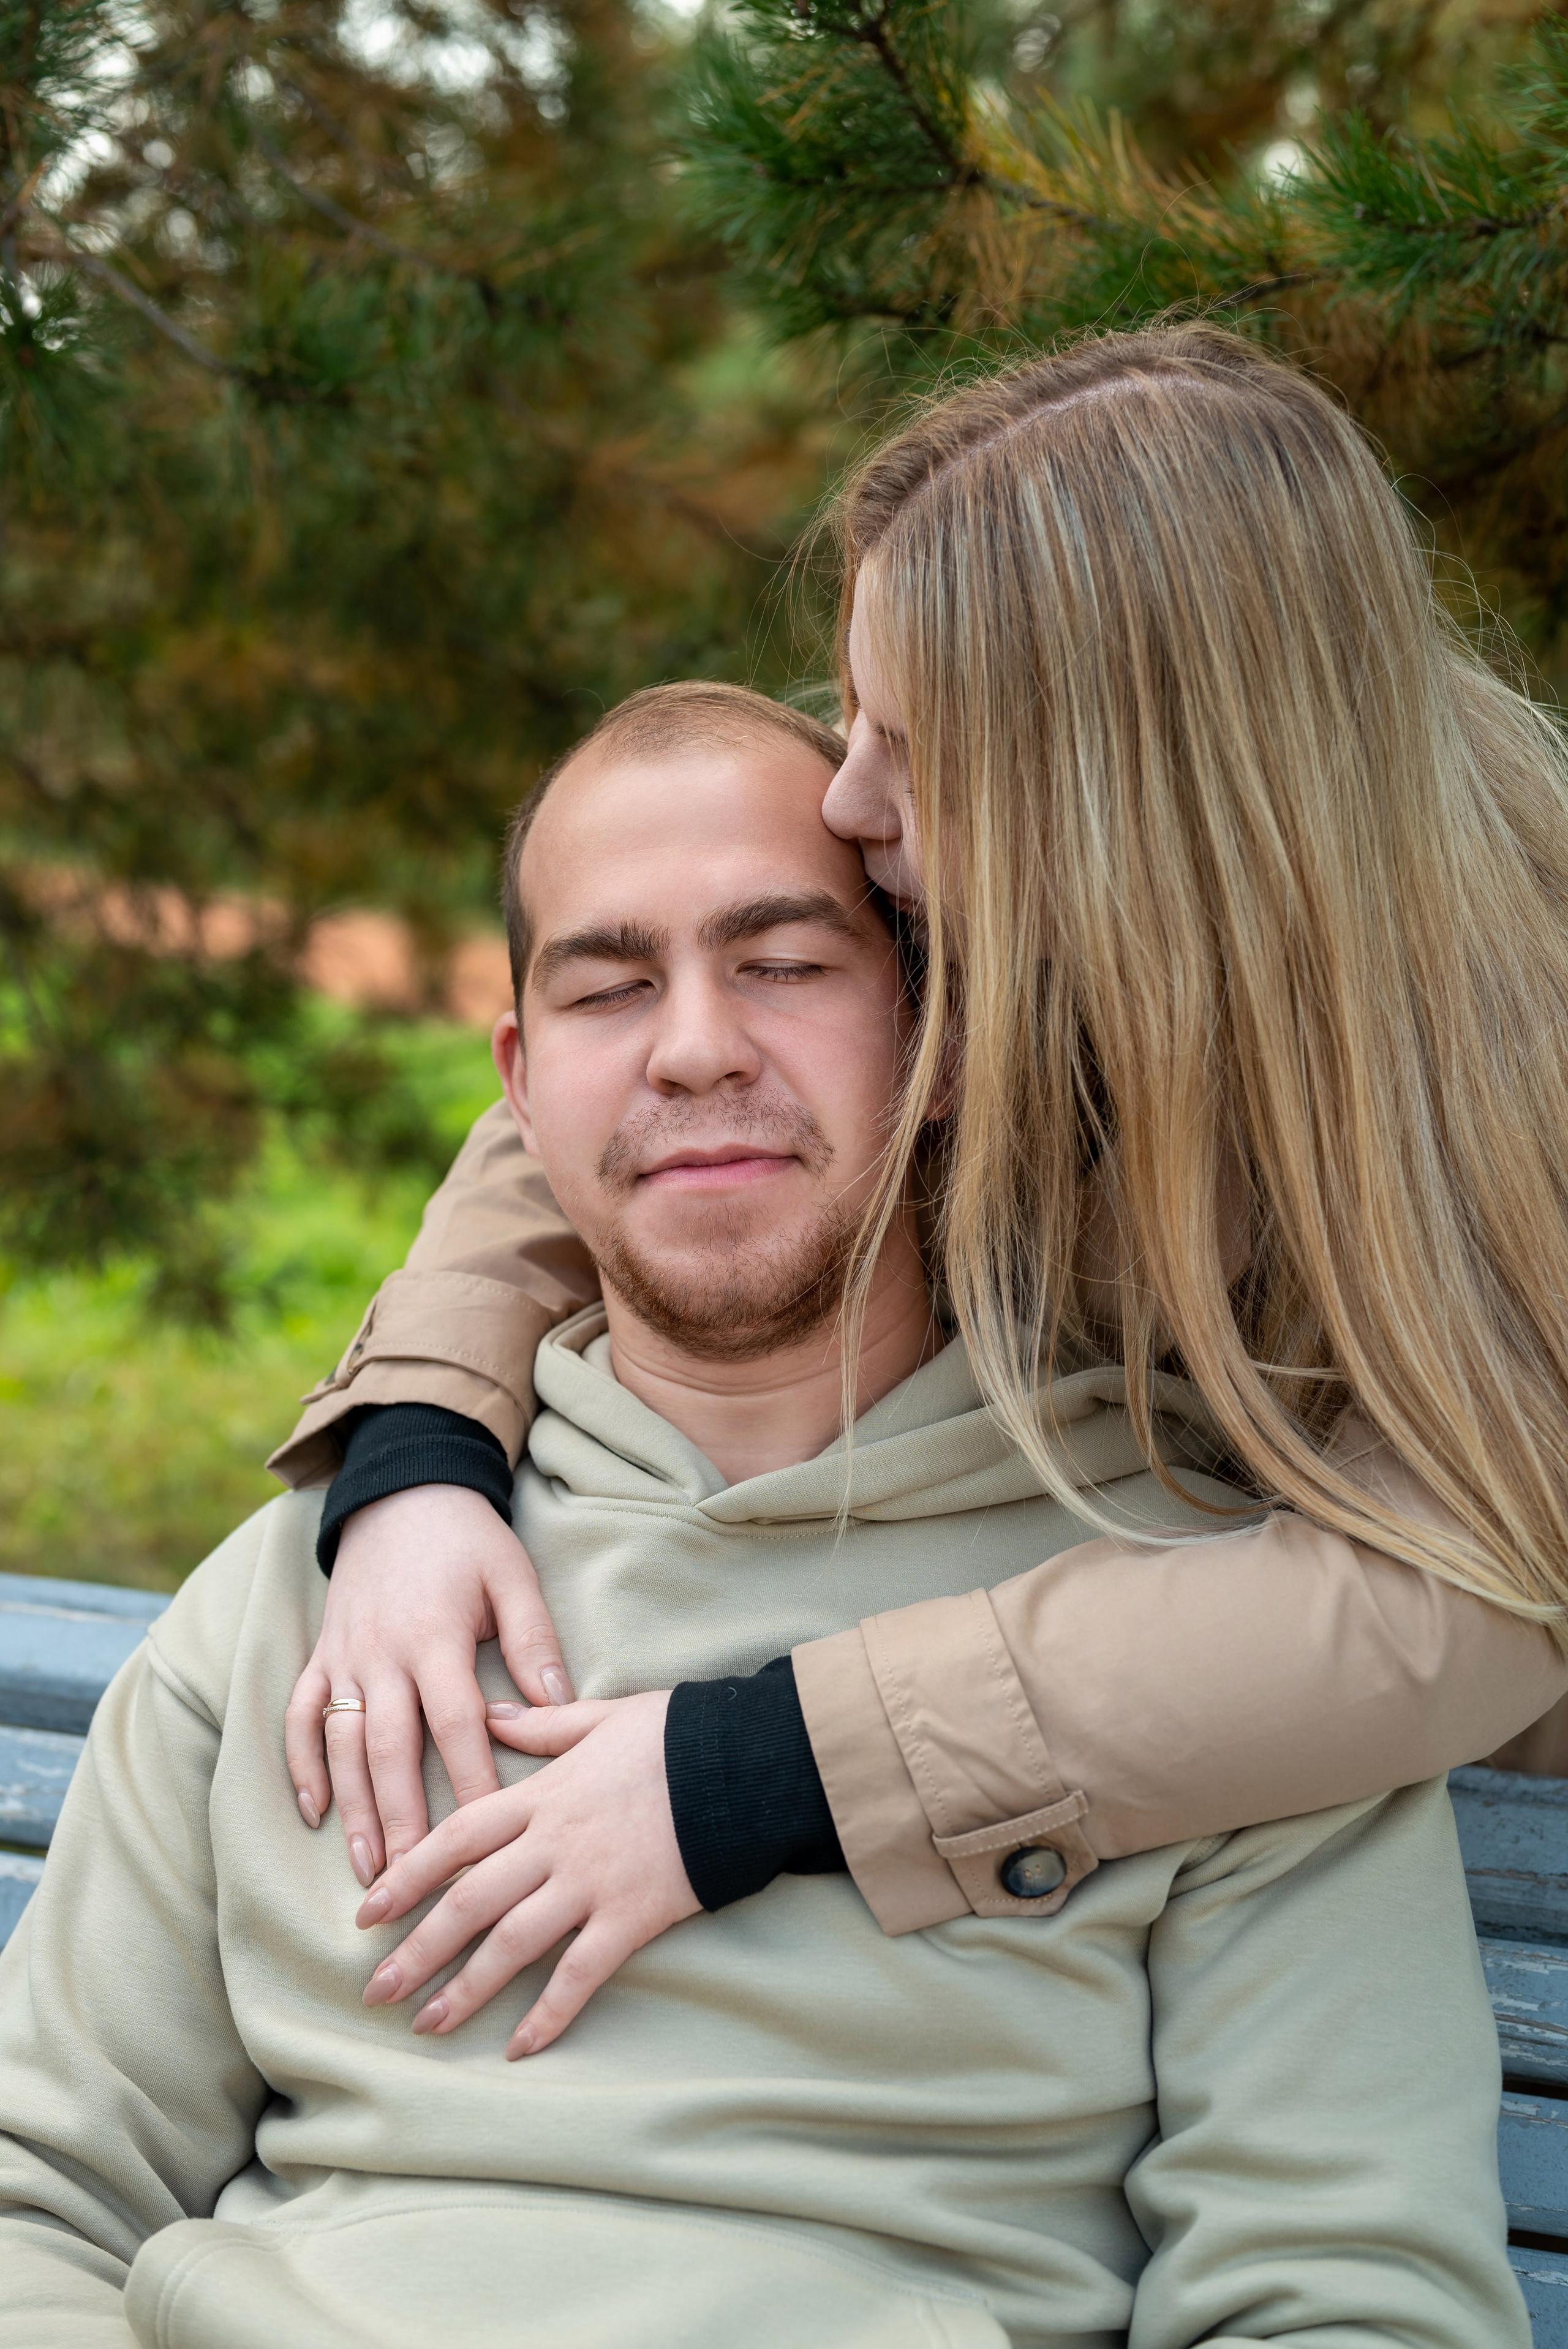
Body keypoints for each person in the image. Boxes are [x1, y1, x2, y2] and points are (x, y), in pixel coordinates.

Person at [0, 686, 1529, 2347]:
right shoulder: (316, 1600)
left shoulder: (1236, 1656)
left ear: (949, 1038)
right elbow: (39, 2198)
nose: (694, 1045)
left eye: (787, 966)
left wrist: (750, 1770)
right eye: (606, 985)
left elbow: (1349, 2300)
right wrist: (416, 1450)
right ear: (517, 1081)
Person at [274, 324, 1568, 2000]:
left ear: (1126, 781)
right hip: (1066, 1808)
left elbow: (1462, 1591)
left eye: (908, 740)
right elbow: (651, 1086)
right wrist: (420, 1445)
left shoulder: (1505, 1043)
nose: (849, 792)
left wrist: (756, 1767)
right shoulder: (1011, 844)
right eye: (856, 707)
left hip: (1396, 1864)